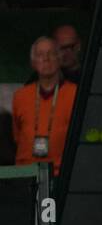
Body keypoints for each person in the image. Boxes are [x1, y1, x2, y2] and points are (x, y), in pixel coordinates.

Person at [11, 37, 77, 175]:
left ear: (59, 60)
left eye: (51, 54)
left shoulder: (74, 93)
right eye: (40, 55)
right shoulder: (20, 96)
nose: (46, 59)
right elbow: (17, 135)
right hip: (25, 173)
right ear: (33, 63)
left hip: (61, 174)